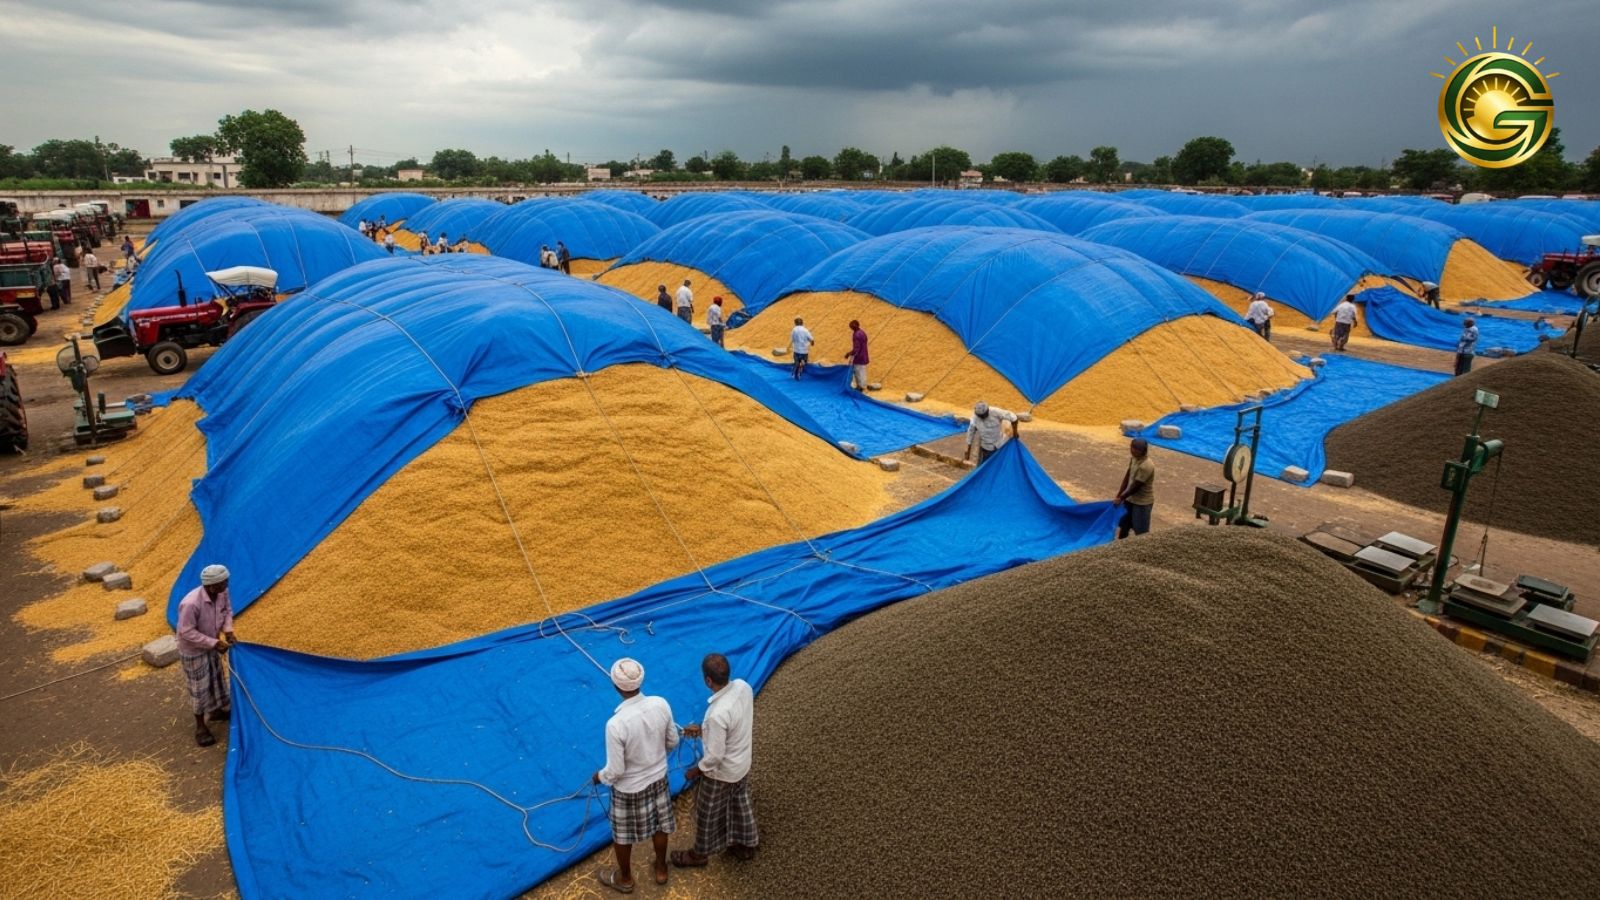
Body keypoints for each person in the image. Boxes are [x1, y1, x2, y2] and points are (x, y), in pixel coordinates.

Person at [594, 658, 679, 893]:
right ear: (640, 681)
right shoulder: (661, 704)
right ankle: (661, 869)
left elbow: (616, 771)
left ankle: (626, 879)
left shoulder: (615, 724)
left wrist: (600, 777)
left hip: (628, 789)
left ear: (616, 686)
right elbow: (673, 741)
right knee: (660, 826)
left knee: (622, 835)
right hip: (659, 778)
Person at [671, 653, 759, 868]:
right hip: (742, 764)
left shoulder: (716, 714)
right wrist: (704, 731)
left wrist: (697, 770)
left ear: (707, 680)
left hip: (722, 773)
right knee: (739, 802)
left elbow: (715, 757)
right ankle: (746, 843)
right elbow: (733, 726)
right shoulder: (743, 686)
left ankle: (699, 855)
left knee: (707, 813)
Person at [176, 564, 237, 747]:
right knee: (199, 687)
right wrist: (214, 643)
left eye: (226, 581)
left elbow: (227, 611)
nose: (226, 585)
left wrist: (228, 631)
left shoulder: (222, 593)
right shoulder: (191, 603)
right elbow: (186, 632)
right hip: (194, 650)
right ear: (211, 586)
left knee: (216, 678)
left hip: (211, 644)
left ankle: (218, 710)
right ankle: (201, 727)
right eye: (223, 582)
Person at [1113, 438, 1155, 539]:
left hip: (1142, 502)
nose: (1134, 451)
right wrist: (1119, 495)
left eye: (1137, 450)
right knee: (1124, 524)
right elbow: (1127, 477)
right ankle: (1121, 545)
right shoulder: (1134, 458)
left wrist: (1121, 497)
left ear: (1144, 451)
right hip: (1129, 498)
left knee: (1141, 531)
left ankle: (1142, 550)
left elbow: (1136, 486)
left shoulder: (1146, 466)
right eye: (1132, 448)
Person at [963, 401, 1020, 465]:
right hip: (987, 448)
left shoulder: (996, 412)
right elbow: (970, 434)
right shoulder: (975, 419)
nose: (983, 417)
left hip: (1000, 445)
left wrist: (1015, 432)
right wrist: (967, 453)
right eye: (981, 416)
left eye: (985, 415)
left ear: (987, 410)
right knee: (987, 466)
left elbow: (1014, 418)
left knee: (1000, 464)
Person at [845, 320, 869, 391]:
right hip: (864, 355)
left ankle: (860, 387)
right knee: (862, 371)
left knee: (858, 372)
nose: (850, 327)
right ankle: (863, 385)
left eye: (851, 326)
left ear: (855, 325)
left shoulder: (856, 335)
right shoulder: (862, 332)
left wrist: (849, 354)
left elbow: (856, 348)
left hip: (858, 357)